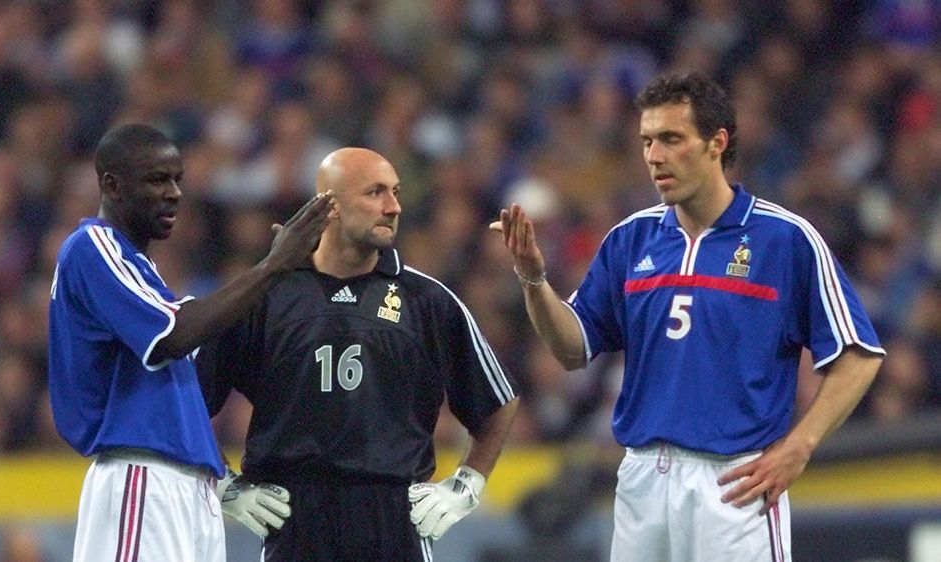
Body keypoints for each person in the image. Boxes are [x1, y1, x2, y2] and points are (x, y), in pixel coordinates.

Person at [492, 71, 885, 561]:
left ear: (716, 143)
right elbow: (573, 349)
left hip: (734, 484)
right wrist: (533, 278)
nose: (654, 156)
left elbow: (858, 354)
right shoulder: (630, 238)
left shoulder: (784, 239)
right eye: (647, 141)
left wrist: (799, 446)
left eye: (671, 139)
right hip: (641, 478)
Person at [196, 147, 520, 561]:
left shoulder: (427, 299)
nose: (394, 206)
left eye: (396, 192)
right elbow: (188, 400)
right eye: (375, 193)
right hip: (294, 517)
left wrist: (466, 486)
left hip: (394, 518)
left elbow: (498, 403)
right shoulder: (266, 295)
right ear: (329, 206)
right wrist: (225, 483)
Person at [48, 123, 333, 561]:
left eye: (178, 179)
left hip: (185, 489)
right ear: (112, 185)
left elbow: (175, 387)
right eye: (157, 179)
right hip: (141, 479)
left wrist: (218, 475)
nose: (175, 192)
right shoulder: (92, 246)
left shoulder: (141, 269)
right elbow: (174, 336)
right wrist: (274, 265)